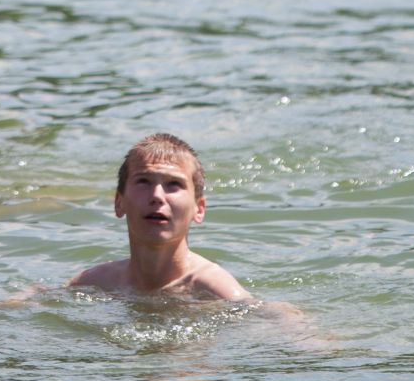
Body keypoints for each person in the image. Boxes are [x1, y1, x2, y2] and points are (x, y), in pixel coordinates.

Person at [69, 133, 297, 314]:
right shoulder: (95, 283)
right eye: (144, 181)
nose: (157, 195)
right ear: (119, 203)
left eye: (173, 185)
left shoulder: (212, 290)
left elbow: (269, 312)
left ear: (198, 209)